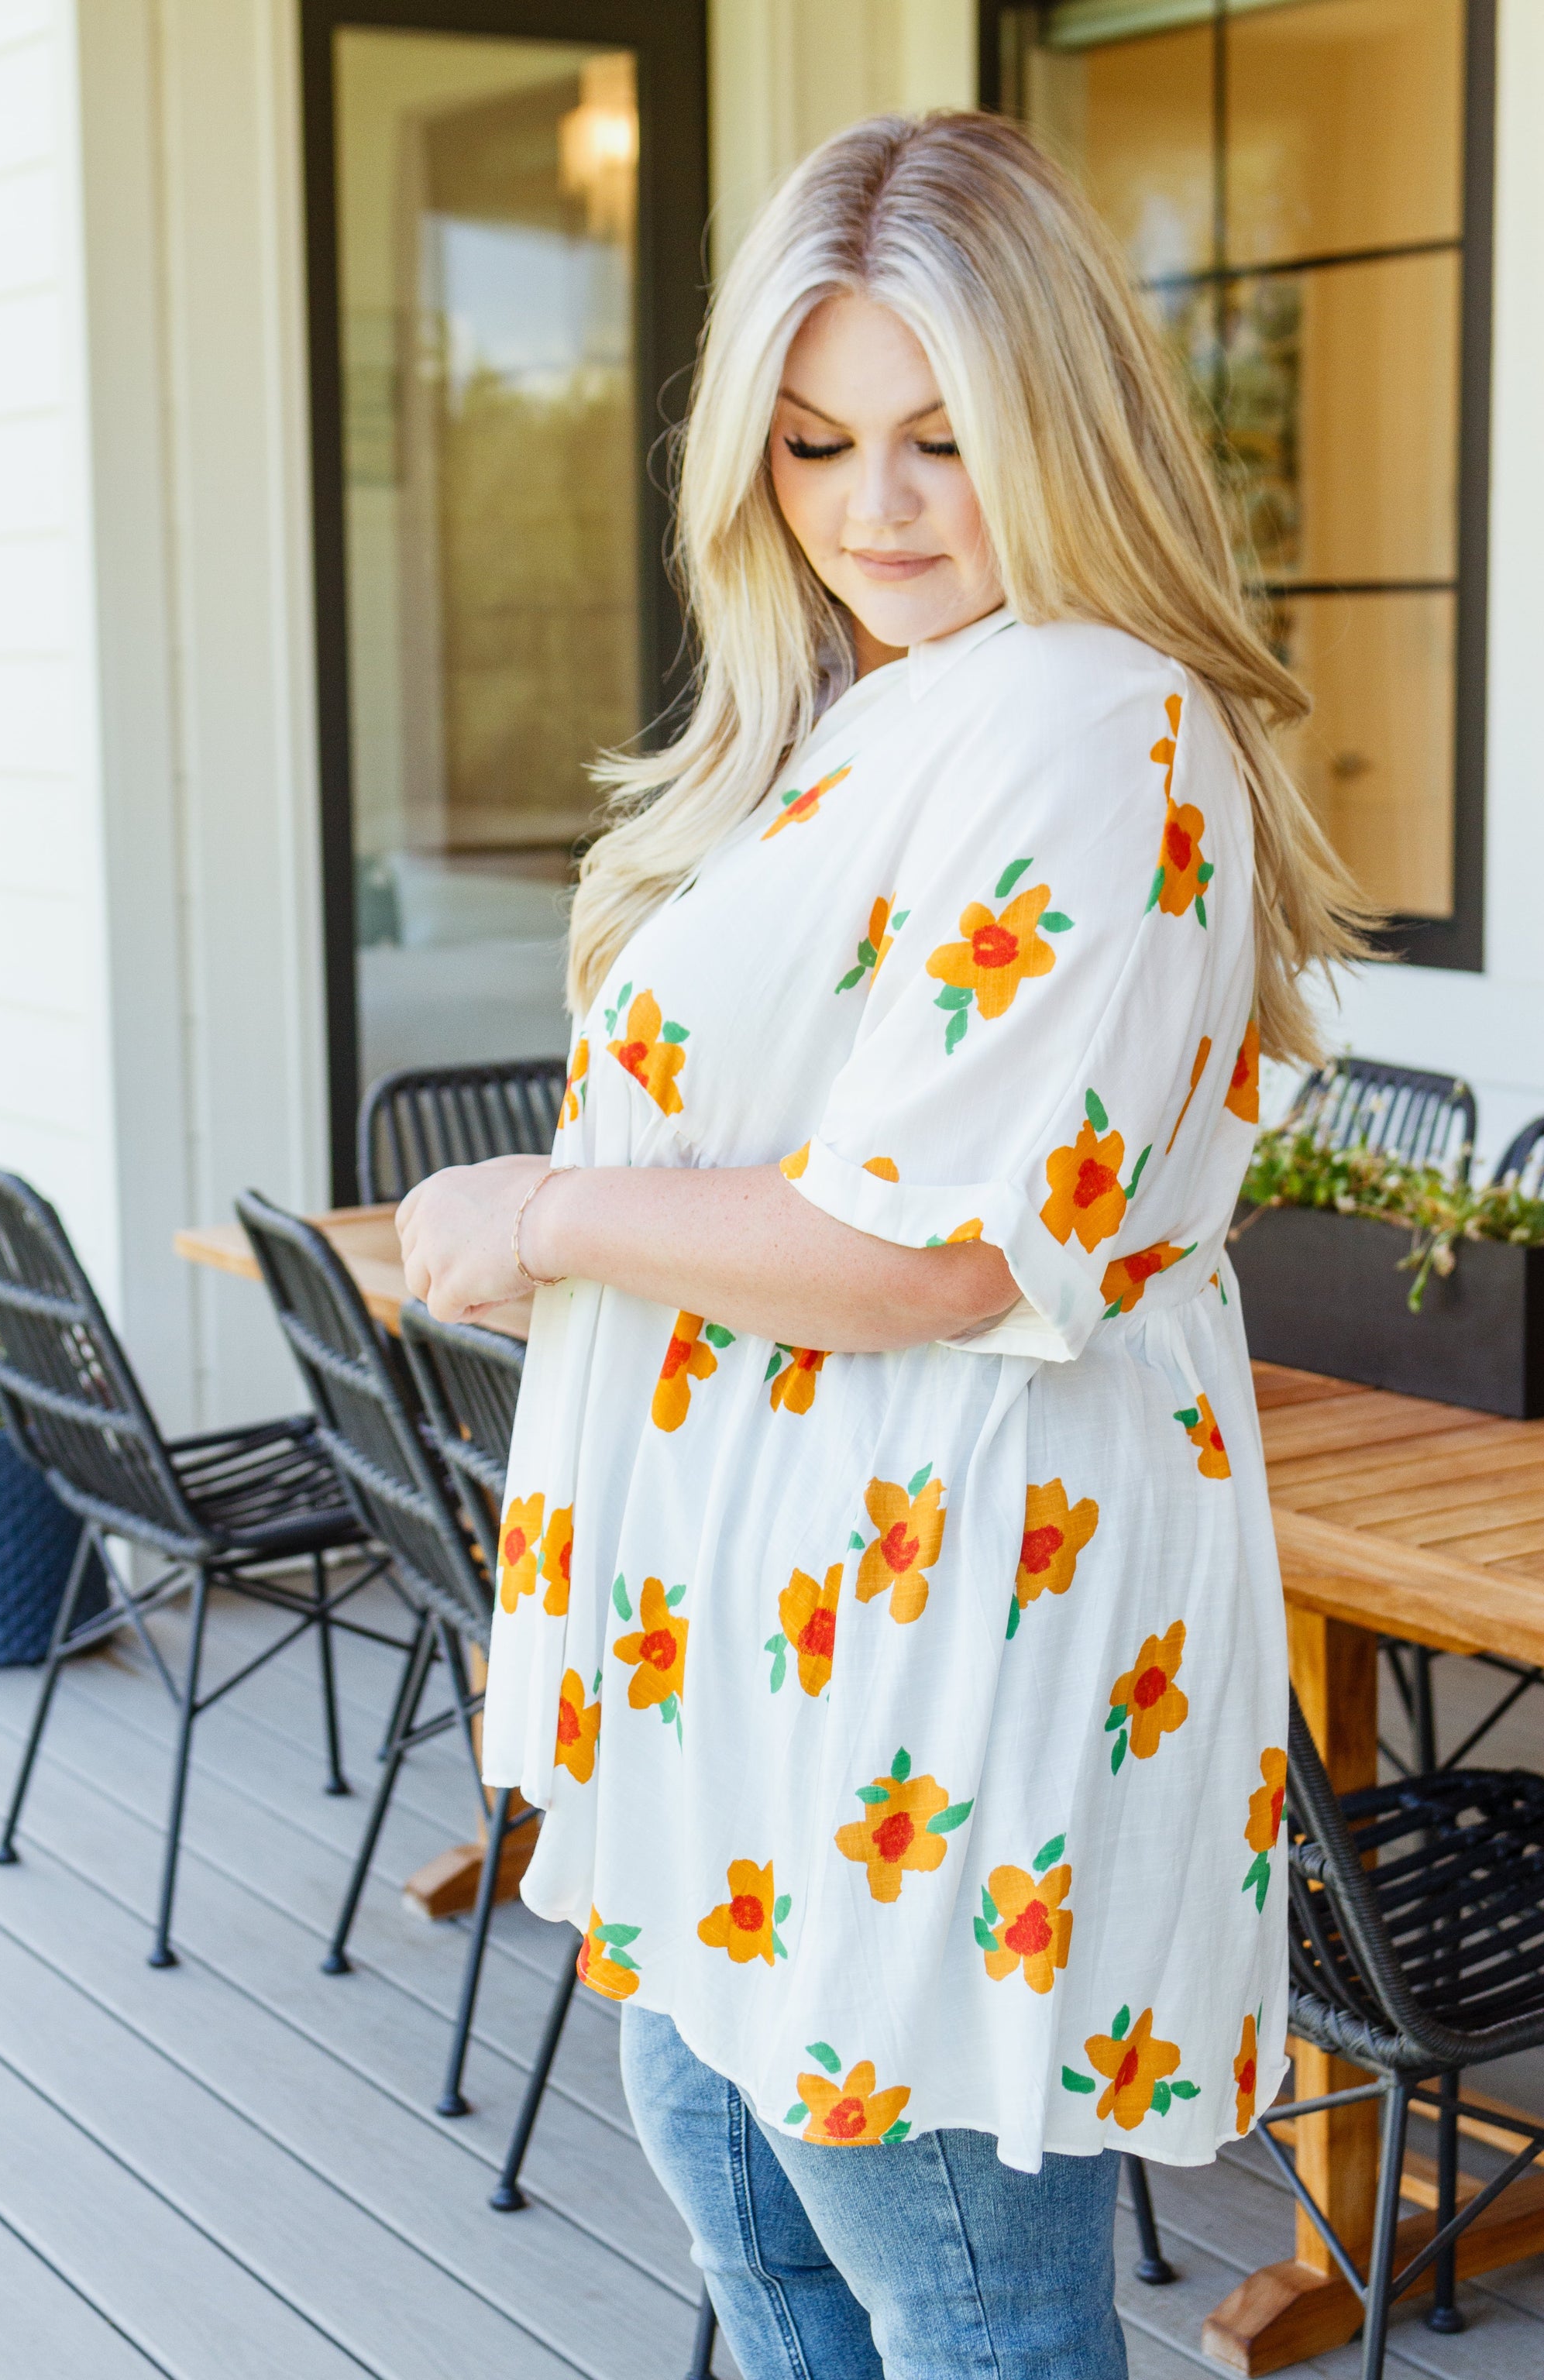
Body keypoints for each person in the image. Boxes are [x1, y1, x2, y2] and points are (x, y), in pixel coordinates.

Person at [397, 111, 1367, 2380]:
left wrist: (545, 1210)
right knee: (732, 2155)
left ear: (1062, 426)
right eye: (818, 443)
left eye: (944, 438)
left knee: (952, 2276)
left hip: (935, 1594)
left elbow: (940, 1250)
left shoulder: (1090, 714)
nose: (879, 509)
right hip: (781, 1606)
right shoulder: (874, 708)